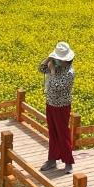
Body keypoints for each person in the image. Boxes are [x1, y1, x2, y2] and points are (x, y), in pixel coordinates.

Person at [38, 42, 76, 173]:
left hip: (62, 106)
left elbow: (56, 86)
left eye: (60, 59)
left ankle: (68, 162)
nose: (58, 61)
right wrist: (49, 58)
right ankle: (52, 160)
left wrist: (53, 71)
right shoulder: (56, 65)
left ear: (66, 60)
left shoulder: (69, 72)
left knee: (63, 133)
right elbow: (41, 69)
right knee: (52, 132)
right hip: (50, 103)